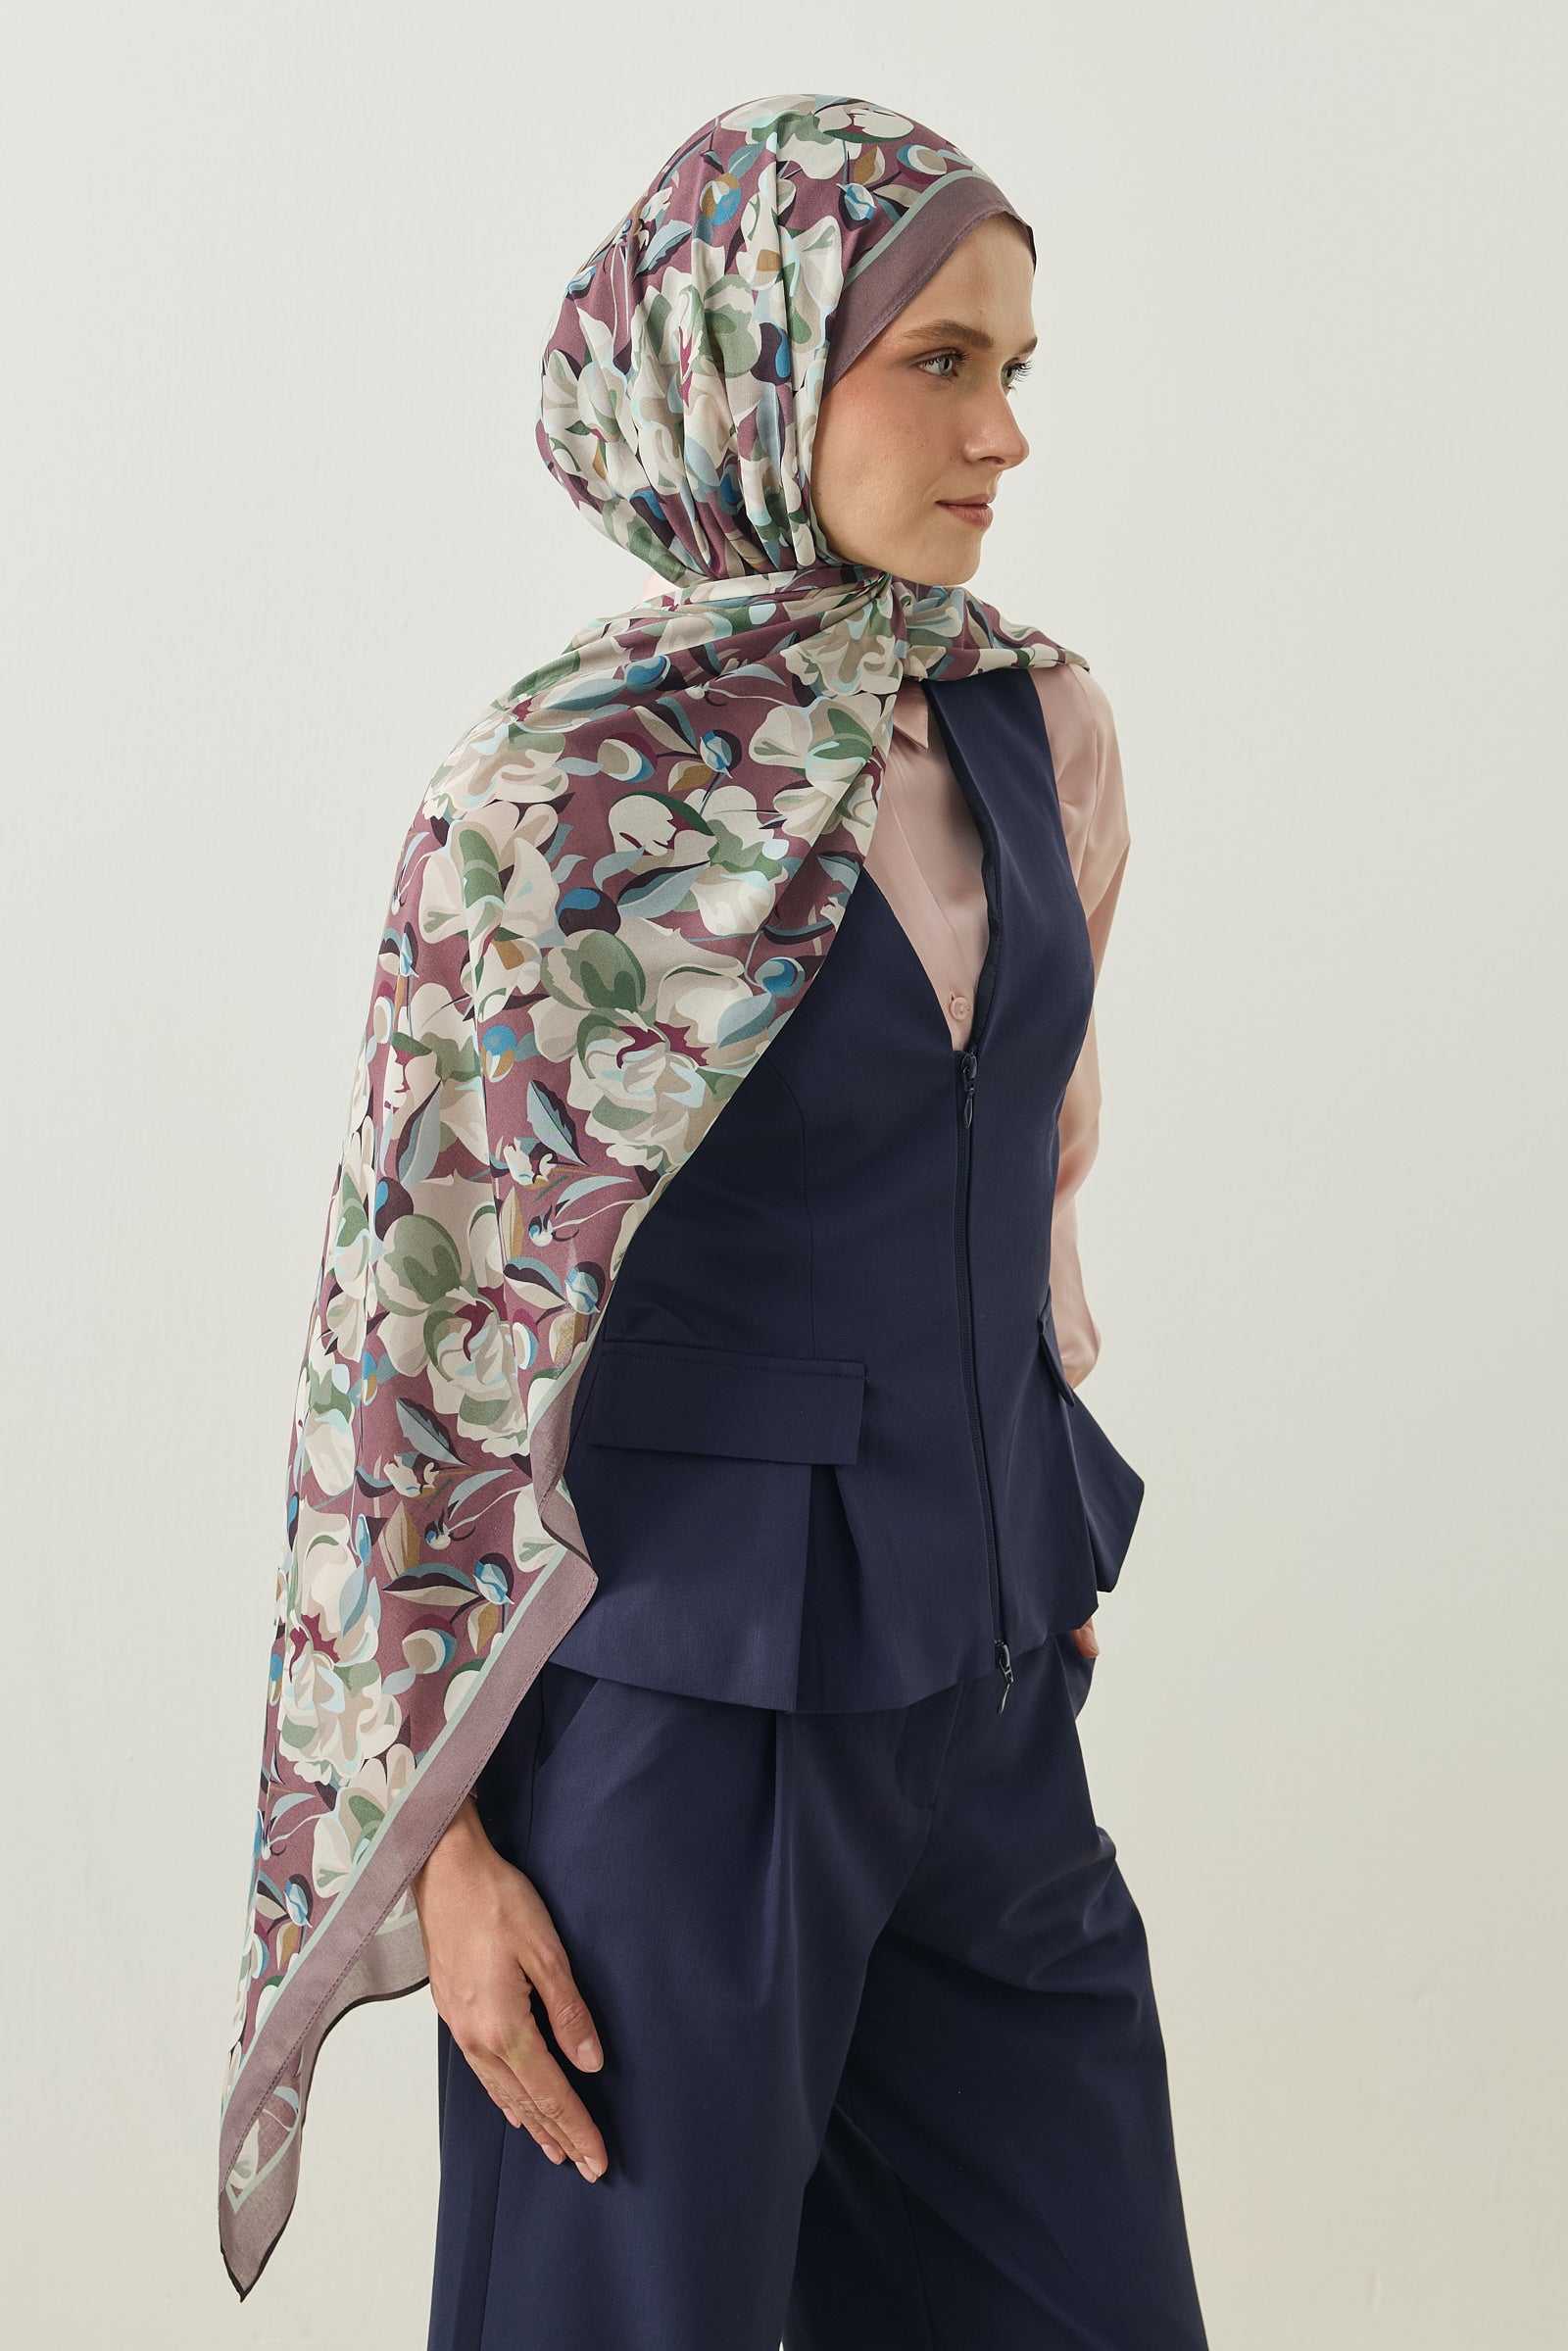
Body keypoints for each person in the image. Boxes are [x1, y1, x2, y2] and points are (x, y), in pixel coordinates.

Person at [219, 92, 1209, 2350]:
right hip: (670, 1742)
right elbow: (409, 1345)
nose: (1000, 433)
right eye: (937, 363)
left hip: (984, 1701)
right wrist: (446, 1855)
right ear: (749, 366)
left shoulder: (1039, 728)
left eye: (1012, 368)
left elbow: (1027, 1171)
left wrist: (1022, 1513)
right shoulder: (549, 799)